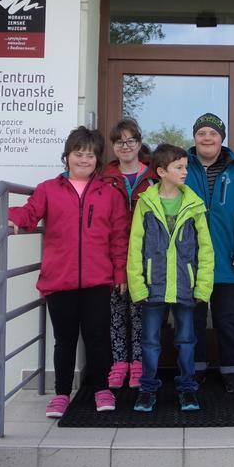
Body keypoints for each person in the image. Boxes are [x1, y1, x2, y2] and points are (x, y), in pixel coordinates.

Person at [8, 126, 129, 417]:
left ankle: (101, 389)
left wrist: (120, 274)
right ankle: (61, 394)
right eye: (78, 154)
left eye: (90, 155)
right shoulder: (48, 189)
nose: (84, 160)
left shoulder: (109, 194)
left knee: (98, 338)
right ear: (67, 156)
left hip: (97, 280)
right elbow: (30, 212)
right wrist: (14, 218)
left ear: (97, 160)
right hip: (59, 279)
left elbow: (119, 237)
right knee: (64, 340)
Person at [127, 144, 214, 412]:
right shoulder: (145, 203)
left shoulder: (194, 204)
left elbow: (206, 249)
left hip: (186, 287)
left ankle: (187, 389)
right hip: (153, 287)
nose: (185, 172)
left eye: (186, 167)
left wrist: (203, 286)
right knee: (150, 342)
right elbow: (135, 247)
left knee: (187, 341)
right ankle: (147, 389)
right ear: (162, 172)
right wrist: (138, 286)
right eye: (179, 167)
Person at [185, 113, 234, 393]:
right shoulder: (182, 167)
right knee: (193, 320)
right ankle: (195, 369)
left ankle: (231, 371)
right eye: (201, 133)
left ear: (221, 138)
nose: (207, 138)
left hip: (228, 259)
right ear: (194, 137)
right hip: (190, 261)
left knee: (227, 320)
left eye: (213, 133)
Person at [101, 119, 158, 390]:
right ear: (113, 146)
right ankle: (119, 363)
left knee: (141, 313)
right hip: (111, 254)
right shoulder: (104, 178)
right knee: (116, 312)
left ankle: (138, 363)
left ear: (139, 143)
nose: (125, 146)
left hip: (145, 256)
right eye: (119, 142)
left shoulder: (154, 178)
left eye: (130, 141)